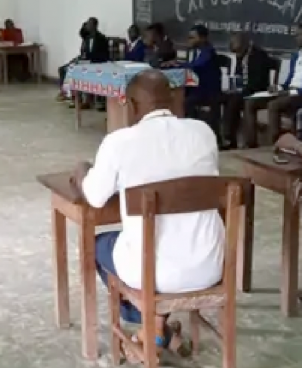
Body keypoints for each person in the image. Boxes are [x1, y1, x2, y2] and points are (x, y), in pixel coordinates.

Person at [71, 69, 224, 357]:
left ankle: (150, 327)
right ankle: (157, 328)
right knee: (166, 242)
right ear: (173, 100)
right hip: (209, 266)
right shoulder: (203, 133)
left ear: (130, 105)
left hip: (153, 275)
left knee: (96, 245)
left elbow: (95, 197)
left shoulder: (119, 142)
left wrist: (82, 172)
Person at [171, 24, 222, 141]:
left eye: (192, 37)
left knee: (186, 102)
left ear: (202, 38)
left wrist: (179, 64)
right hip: (197, 88)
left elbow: (197, 66)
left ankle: (194, 133)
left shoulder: (208, 51)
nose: (189, 40)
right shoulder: (195, 51)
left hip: (208, 91)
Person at [222, 32, 272, 149]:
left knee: (235, 100)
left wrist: (242, 90)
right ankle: (229, 139)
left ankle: (242, 140)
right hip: (245, 90)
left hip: (258, 90)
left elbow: (259, 81)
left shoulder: (259, 55)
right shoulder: (241, 54)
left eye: (238, 51)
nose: (237, 55)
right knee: (227, 97)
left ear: (244, 44)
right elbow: (239, 75)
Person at [56, 22, 90, 102]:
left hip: (86, 63)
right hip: (80, 60)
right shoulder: (84, 40)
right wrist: (75, 59)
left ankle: (69, 94)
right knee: (61, 69)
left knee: (68, 70)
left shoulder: (91, 41)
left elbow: (87, 56)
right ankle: (63, 92)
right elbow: (82, 54)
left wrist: (78, 60)